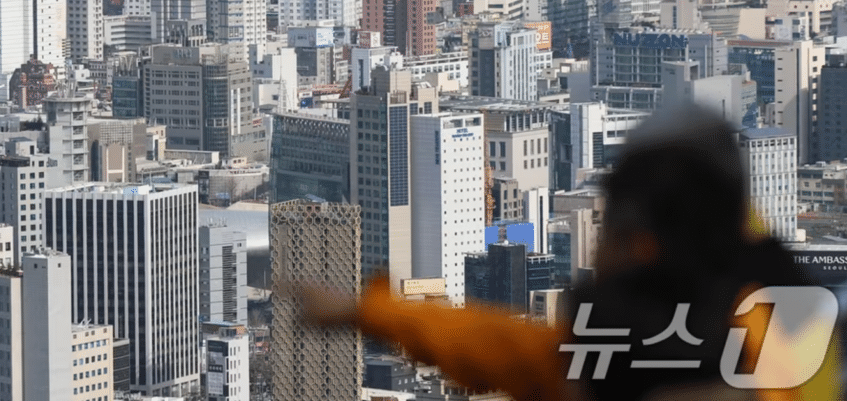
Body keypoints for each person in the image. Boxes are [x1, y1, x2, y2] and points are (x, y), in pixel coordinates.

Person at [288, 104, 843, 401]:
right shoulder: (792, 325)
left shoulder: (628, 347)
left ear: (639, 239)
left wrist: (371, 311)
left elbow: (509, 352)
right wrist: (372, 310)